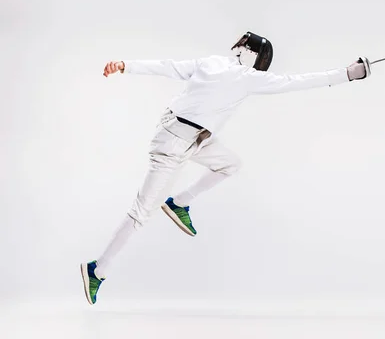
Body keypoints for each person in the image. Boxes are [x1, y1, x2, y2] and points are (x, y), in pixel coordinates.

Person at [80, 31, 370, 305]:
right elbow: (297, 81)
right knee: (142, 212)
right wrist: (348, 74)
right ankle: (98, 269)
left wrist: (125, 65)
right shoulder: (247, 78)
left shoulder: (212, 63)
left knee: (230, 164)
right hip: (173, 144)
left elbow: (168, 66)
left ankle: (179, 202)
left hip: (190, 136)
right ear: (256, 58)